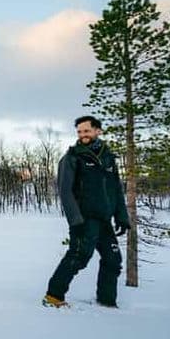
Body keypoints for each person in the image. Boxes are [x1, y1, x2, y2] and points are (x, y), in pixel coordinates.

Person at [43, 115, 129, 308]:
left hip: (104, 219)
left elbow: (116, 189)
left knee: (113, 259)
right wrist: (76, 221)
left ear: (98, 131)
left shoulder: (108, 158)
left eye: (87, 131)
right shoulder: (72, 158)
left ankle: (107, 301)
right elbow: (65, 191)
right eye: (80, 132)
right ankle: (53, 297)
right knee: (78, 257)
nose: (83, 135)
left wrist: (122, 217)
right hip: (84, 219)